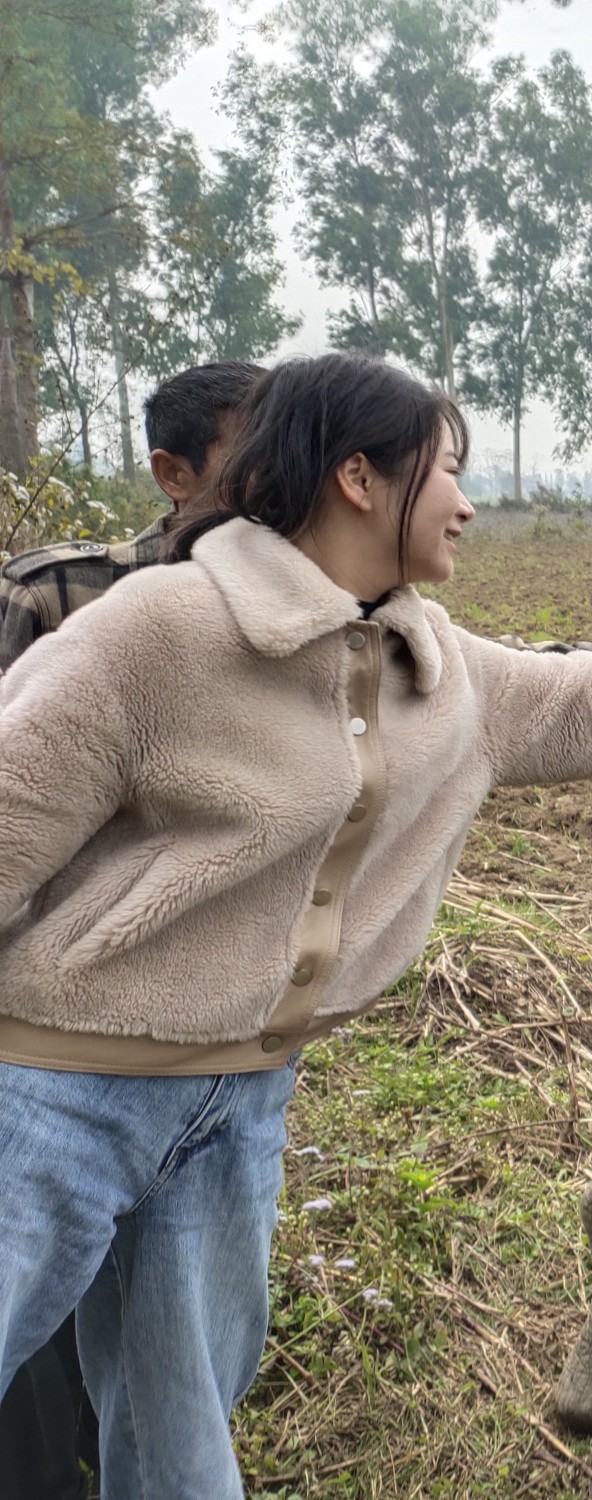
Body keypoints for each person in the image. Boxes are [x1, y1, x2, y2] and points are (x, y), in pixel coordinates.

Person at [0, 353, 592, 1498]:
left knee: (180, 1431)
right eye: (447, 470)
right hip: (62, 1093)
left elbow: (586, 699)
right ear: (358, 478)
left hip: (239, 1103)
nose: (466, 500)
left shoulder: (429, 660)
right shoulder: (157, 631)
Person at [0, 359, 263, 1500]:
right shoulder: (60, 599)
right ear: (173, 472)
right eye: (261, 460)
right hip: (44, 1032)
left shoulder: (317, 617)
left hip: (203, 1053)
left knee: (164, 1357)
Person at [0, 360, 263, 673]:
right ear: (173, 474)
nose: (289, 478)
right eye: (258, 456)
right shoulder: (54, 595)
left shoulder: (315, 598)